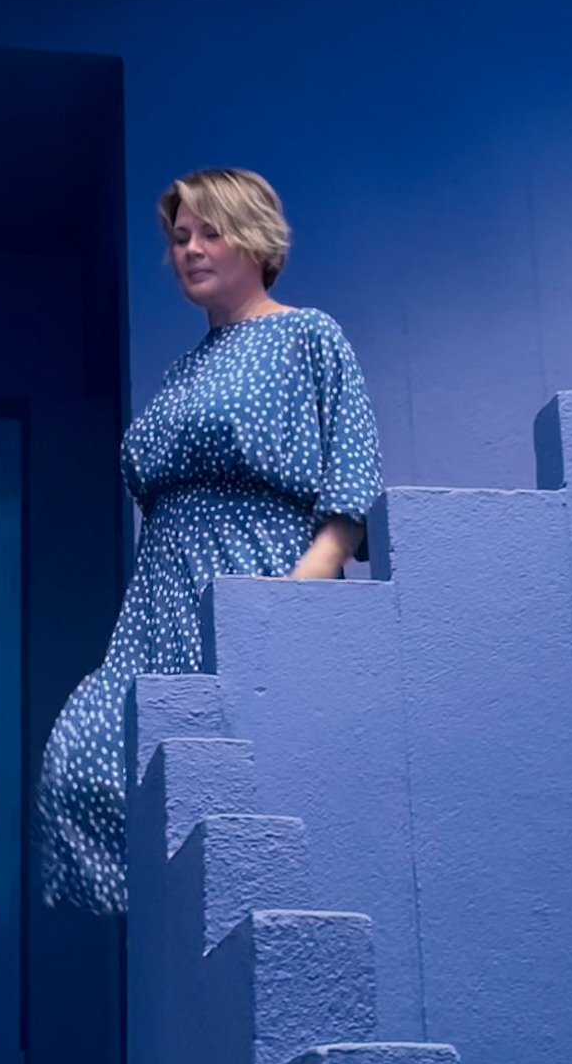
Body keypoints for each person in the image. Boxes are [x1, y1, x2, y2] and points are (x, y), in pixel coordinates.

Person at [39, 167, 384, 914]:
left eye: (210, 232)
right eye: (179, 237)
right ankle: (173, 916)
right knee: (85, 761)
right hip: (160, 597)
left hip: (255, 575)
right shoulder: (183, 369)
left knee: (243, 770)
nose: (189, 249)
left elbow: (353, 472)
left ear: (256, 240)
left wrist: (300, 591)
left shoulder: (307, 335)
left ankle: (239, 912)